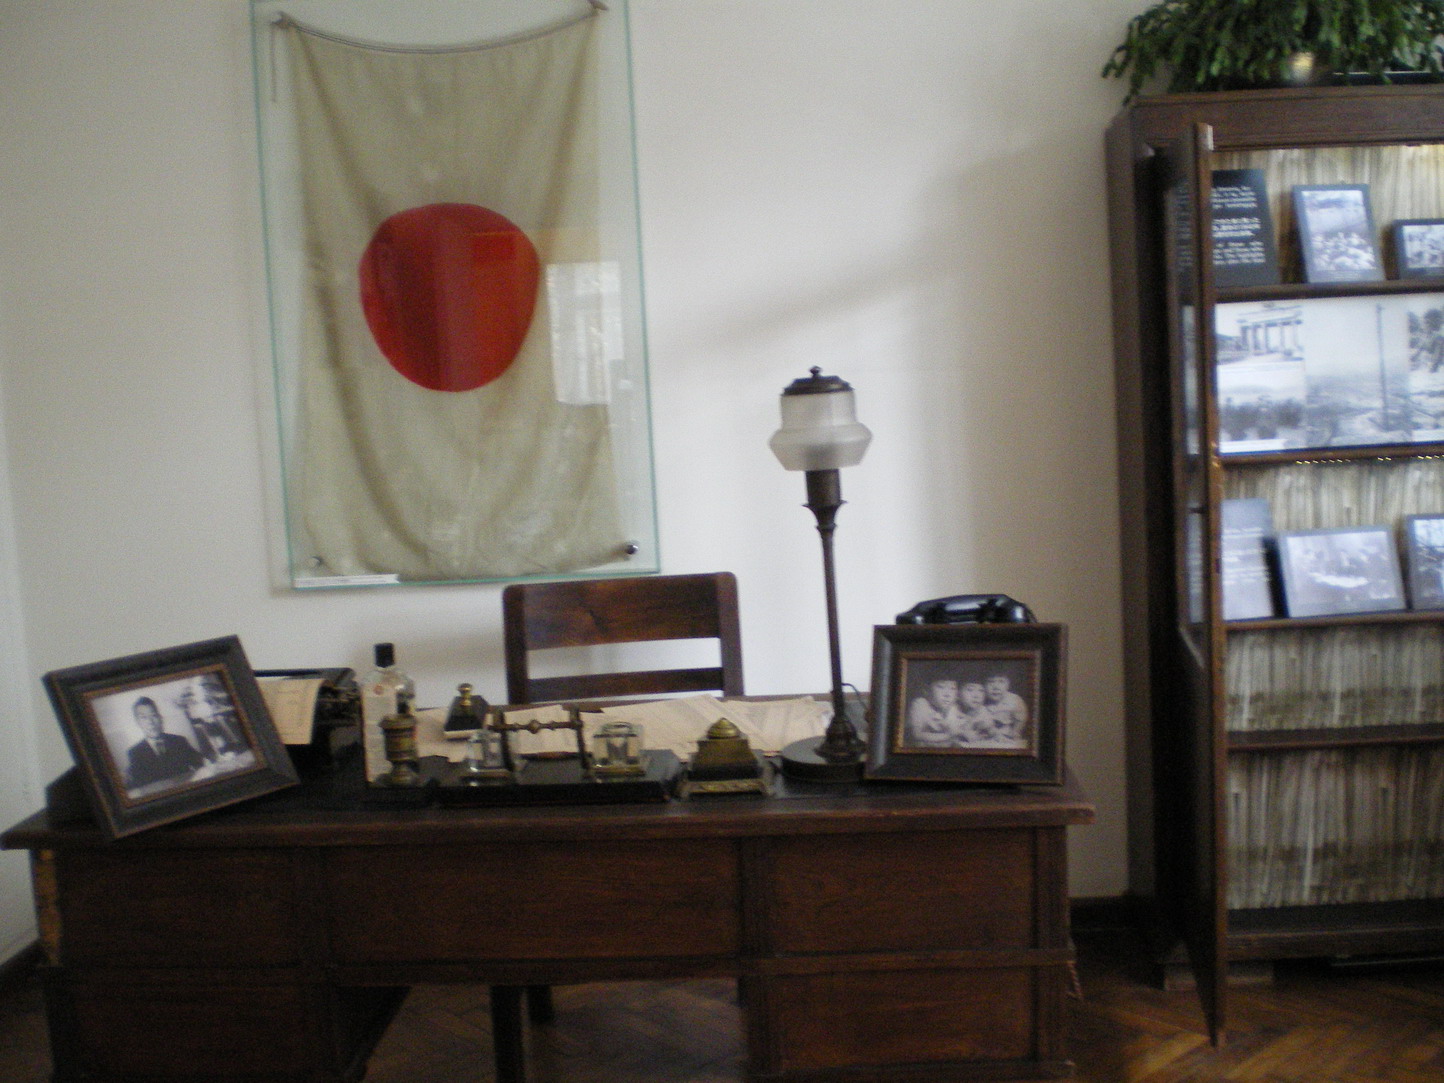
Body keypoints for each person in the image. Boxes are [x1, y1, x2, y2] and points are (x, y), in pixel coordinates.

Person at [125, 696, 204, 790]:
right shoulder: (135, 753)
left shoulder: (179, 741)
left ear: (160, 718)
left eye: (153, 715)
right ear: (138, 722)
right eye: (144, 718)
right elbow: (138, 787)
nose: (150, 722)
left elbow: (202, 763)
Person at [907, 678, 963, 748]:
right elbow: (916, 734)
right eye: (941, 687)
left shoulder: (952, 707)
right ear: (926, 690)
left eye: (952, 688)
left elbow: (953, 730)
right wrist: (948, 735)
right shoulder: (920, 704)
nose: (947, 694)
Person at [983, 674, 1029, 744]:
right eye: (991, 682)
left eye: (1001, 682)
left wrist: (1015, 732)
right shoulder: (982, 700)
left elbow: (1020, 720)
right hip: (988, 738)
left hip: (1009, 737)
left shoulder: (1014, 700)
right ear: (984, 686)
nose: (996, 687)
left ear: (1008, 685)